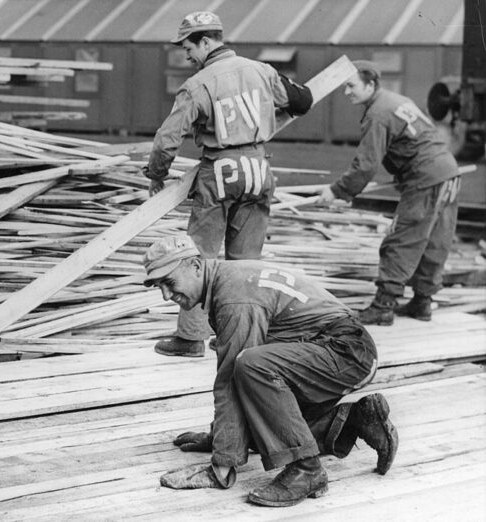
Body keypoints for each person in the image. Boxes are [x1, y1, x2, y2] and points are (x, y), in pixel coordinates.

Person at [142, 235, 398, 507]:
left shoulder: (234, 298)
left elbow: (230, 378)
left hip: (347, 351)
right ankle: (354, 419)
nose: (166, 296)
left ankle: (306, 470)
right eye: (159, 287)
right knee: (258, 421)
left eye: (169, 283)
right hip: (334, 350)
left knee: (250, 365)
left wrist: (222, 463)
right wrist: (220, 437)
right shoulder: (228, 279)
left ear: (195, 265)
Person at [141, 11, 313, 358]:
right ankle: (240, 336)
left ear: (205, 42)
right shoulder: (262, 71)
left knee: (198, 258)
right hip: (258, 169)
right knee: (247, 262)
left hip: (219, 171)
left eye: (188, 47)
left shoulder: (198, 85)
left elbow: (167, 139)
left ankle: (190, 339)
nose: (186, 55)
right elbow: (303, 101)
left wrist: (157, 175)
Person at [318, 61, 461, 326]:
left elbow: (367, 164)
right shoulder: (397, 100)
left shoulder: (378, 114)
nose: (346, 92)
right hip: (447, 171)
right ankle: (422, 302)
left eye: (351, 86)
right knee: (433, 240)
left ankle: (384, 307)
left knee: (402, 238)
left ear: (370, 84)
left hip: (426, 177)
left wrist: (337, 190)